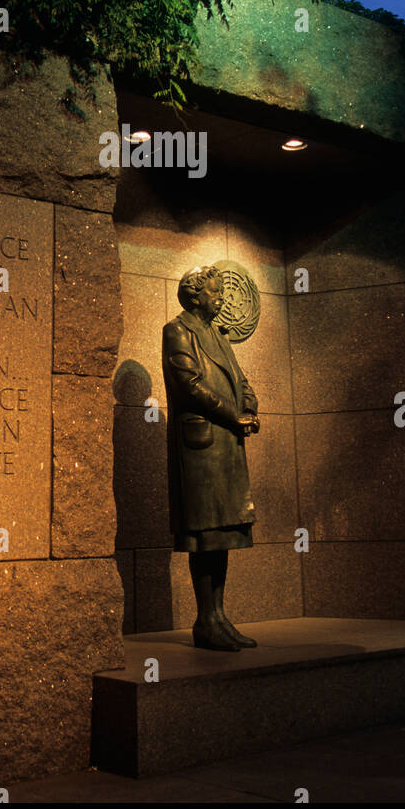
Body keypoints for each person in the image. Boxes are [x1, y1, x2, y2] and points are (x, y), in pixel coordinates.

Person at [162, 264, 260, 650]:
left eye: (221, 292)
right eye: (216, 292)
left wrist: (249, 403)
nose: (221, 298)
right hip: (202, 447)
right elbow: (188, 384)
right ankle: (205, 620)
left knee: (221, 534)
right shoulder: (178, 331)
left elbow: (240, 378)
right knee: (204, 535)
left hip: (226, 443)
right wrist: (231, 412)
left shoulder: (219, 335)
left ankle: (218, 616)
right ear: (195, 294)